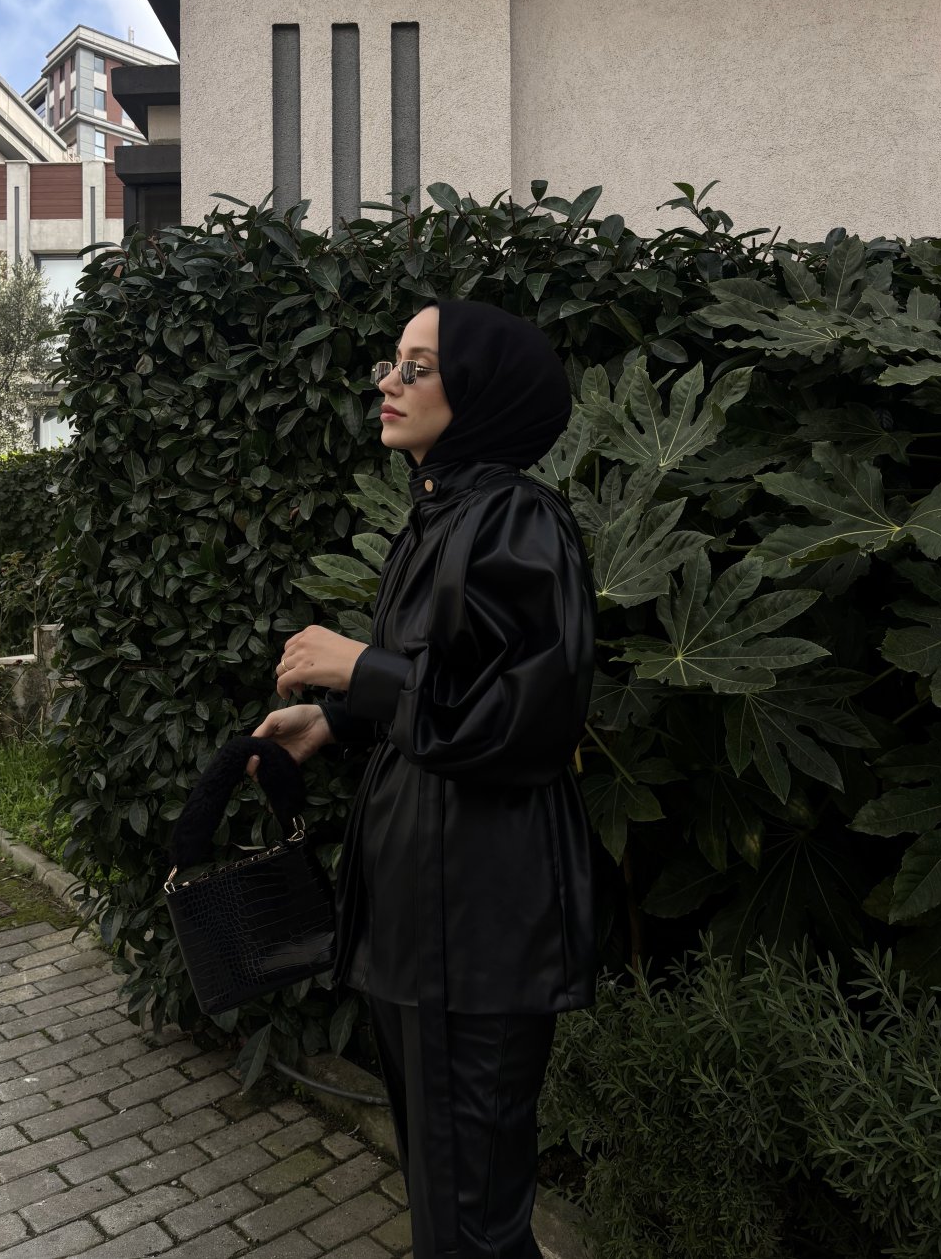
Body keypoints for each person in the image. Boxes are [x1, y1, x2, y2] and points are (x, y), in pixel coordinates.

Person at [248, 298, 598, 1258]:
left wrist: (359, 668)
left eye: (419, 366)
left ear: (479, 389)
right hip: (422, 921)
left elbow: (528, 720)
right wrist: (335, 720)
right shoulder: (443, 512)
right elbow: (445, 686)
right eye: (391, 362)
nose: (388, 383)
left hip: (476, 925)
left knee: (470, 1222)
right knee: (451, 1207)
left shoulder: (518, 518)